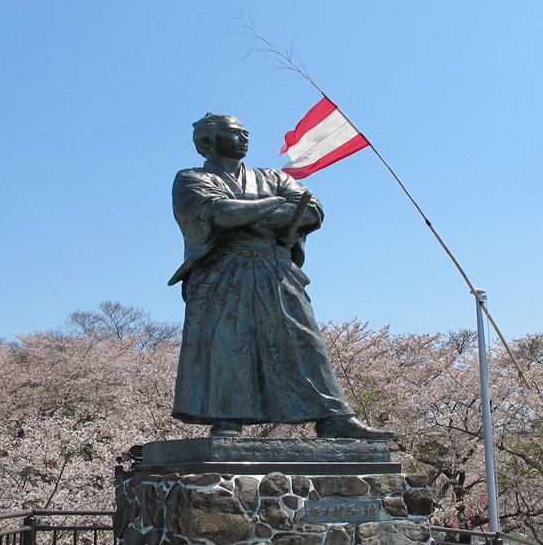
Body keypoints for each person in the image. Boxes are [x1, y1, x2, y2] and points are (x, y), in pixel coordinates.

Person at [169, 113, 396, 440]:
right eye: (235, 133)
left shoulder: (272, 176)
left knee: (303, 338)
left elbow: (312, 210)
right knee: (229, 341)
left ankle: (332, 416)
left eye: (246, 132)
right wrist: (276, 205)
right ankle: (227, 419)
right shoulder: (191, 178)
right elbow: (218, 213)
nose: (244, 138)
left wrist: (252, 211)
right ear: (208, 141)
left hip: (275, 268)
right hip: (223, 269)